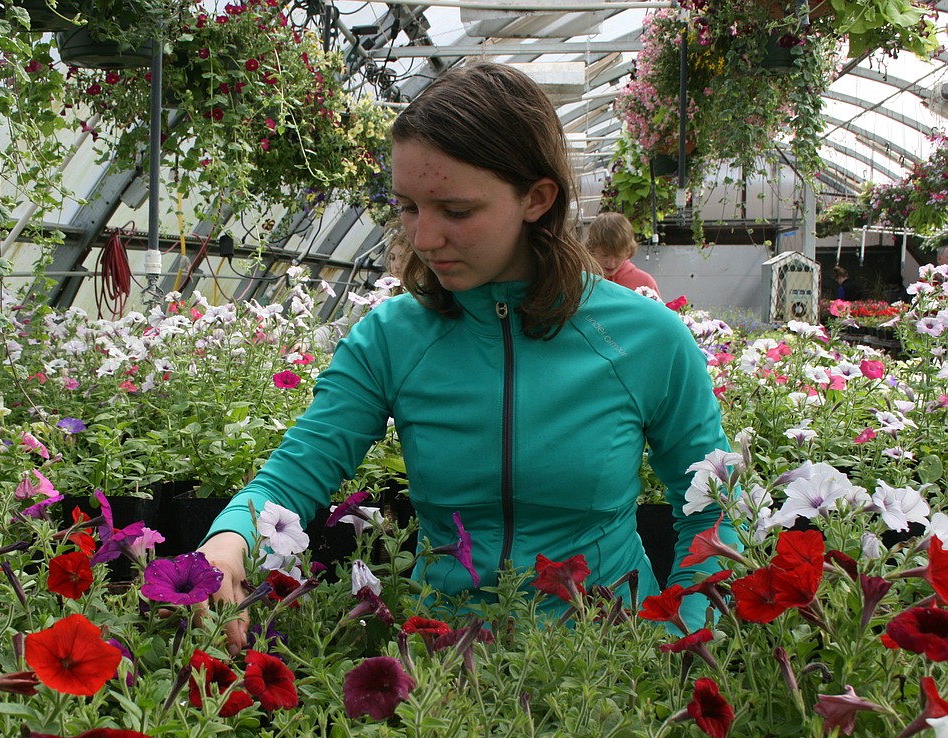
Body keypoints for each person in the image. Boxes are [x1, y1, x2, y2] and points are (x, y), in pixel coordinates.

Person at [197, 62, 734, 654]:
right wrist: (229, 540)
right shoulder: (392, 337)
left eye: (455, 211)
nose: (424, 238)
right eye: (407, 207)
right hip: (446, 666)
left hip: (607, 662)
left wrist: (682, 631)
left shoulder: (645, 338)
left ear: (536, 198)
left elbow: (714, 510)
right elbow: (299, 469)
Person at [585, 212, 661, 296]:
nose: (611, 263)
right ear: (591, 250)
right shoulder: (582, 281)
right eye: (604, 255)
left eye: (618, 255)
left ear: (628, 251)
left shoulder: (645, 283)